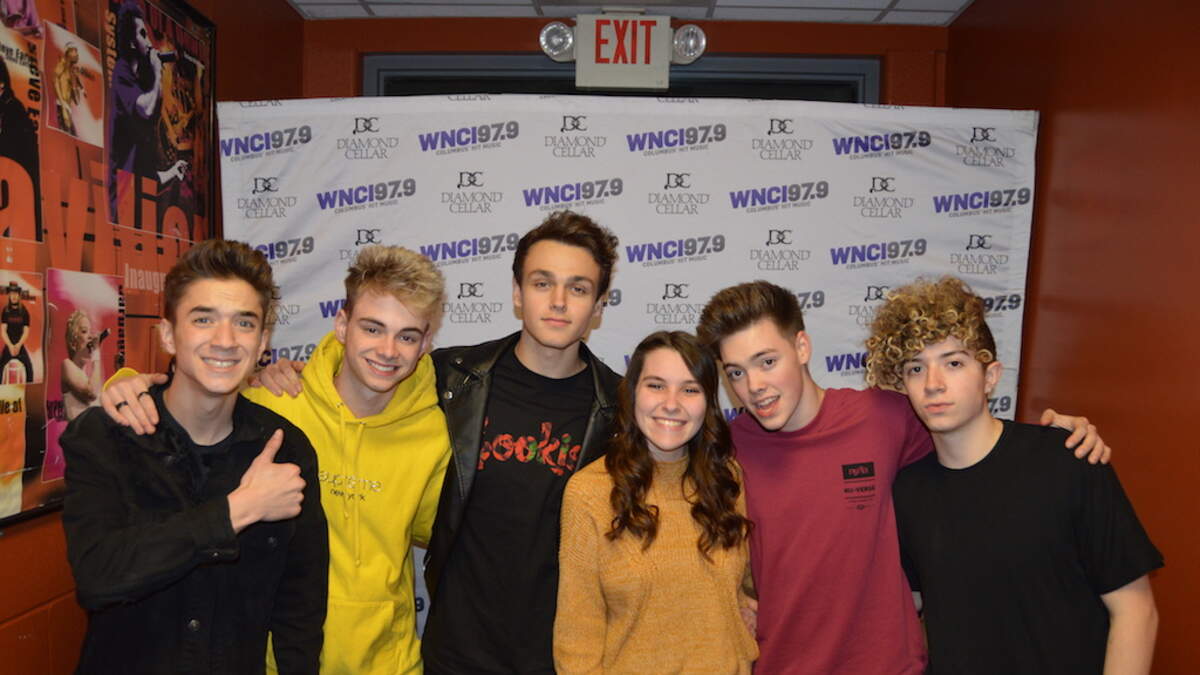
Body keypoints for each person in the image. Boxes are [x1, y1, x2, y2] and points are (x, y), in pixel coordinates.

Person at [253, 210, 623, 673]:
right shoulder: (452, 380)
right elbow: (358, 379)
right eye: (542, 282)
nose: (559, 302)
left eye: (579, 288)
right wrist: (277, 375)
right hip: (453, 653)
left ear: (600, 305)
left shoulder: (621, 411)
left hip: (560, 655)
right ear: (517, 292)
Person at [695, 280, 1110, 675]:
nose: (754, 386)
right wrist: (736, 595)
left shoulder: (884, 416)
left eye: (767, 362)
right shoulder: (727, 450)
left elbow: (973, 438)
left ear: (801, 346)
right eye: (736, 373)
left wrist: (1053, 437)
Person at [101, 245, 453, 674]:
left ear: (427, 343)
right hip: (272, 661)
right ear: (342, 325)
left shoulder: (434, 433)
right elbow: (188, 402)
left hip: (388, 665)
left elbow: (446, 535)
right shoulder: (274, 403)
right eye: (373, 328)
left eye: (408, 336)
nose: (388, 350)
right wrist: (125, 383)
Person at [865, 276, 1161, 674]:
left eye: (954, 363)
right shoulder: (907, 492)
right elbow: (901, 609)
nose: (934, 384)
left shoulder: (1068, 459)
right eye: (916, 368)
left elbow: (1136, 612)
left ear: (990, 376)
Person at [61, 239, 328, 674]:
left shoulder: (287, 450)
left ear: (263, 341)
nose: (225, 341)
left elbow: (300, 609)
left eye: (244, 323)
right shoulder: (106, 437)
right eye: (203, 319)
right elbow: (97, 577)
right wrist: (238, 510)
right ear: (168, 334)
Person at [555, 331, 758, 673]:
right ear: (633, 393)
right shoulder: (590, 492)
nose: (672, 403)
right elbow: (576, 637)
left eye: (690, 389)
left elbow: (742, 585)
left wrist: (744, 607)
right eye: (656, 385)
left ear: (708, 402)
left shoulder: (728, 480)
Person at [107, 0, 186, 223]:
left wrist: (173, 172)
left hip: (136, 205)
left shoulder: (140, 80)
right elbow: (146, 109)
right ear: (131, 43)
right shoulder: (122, 73)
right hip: (121, 207)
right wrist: (157, 73)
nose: (150, 42)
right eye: (143, 35)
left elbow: (146, 176)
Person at [62, 309, 106, 420]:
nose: (90, 336)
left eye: (91, 332)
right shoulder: (67, 365)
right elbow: (92, 393)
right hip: (78, 431)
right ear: (73, 342)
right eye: (84, 331)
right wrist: (96, 351)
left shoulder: (86, 374)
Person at [1, 280, 33, 383]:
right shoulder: (5, 311)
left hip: (19, 344)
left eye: (15, 294)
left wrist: (18, 345)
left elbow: (26, 331)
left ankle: (29, 389)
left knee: (29, 369)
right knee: (0, 367)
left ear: (19, 295)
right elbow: (3, 331)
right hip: (9, 344)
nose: (13, 296)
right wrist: (10, 345)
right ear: (9, 295)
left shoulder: (24, 311)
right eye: (11, 294)